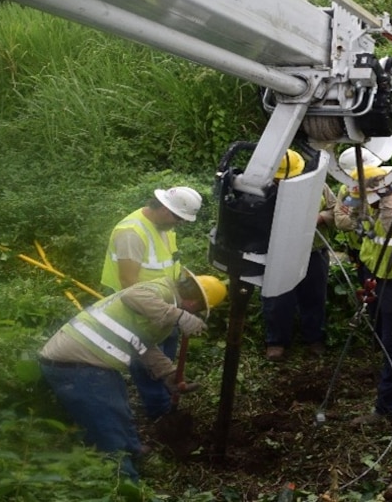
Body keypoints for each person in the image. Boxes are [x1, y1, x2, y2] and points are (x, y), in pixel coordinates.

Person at [39, 271, 226, 481]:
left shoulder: (163, 308)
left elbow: (141, 343)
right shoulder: (161, 291)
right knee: (107, 425)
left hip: (91, 362)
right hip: (75, 363)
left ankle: (133, 449)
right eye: (197, 309)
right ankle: (124, 481)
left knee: (120, 404)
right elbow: (132, 296)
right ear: (194, 304)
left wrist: (168, 373)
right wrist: (178, 316)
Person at [99, 185, 203, 420]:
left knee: (166, 346)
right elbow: (128, 282)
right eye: (179, 218)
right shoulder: (131, 233)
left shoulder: (163, 227)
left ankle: (169, 385)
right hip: (136, 307)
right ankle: (159, 411)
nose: (180, 224)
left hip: (163, 302)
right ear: (166, 210)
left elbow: (169, 266)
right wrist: (156, 312)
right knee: (145, 357)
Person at [334, 166, 392, 425]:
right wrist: (357, 205)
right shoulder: (370, 197)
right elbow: (349, 219)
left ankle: (389, 409)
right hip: (377, 272)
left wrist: (386, 199)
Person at [262, 150, 331, 361]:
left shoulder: (319, 185)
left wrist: (320, 217)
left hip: (313, 249)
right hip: (279, 252)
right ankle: (276, 341)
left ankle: (314, 338)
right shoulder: (261, 189)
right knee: (277, 297)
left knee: (314, 294)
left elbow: (337, 210)